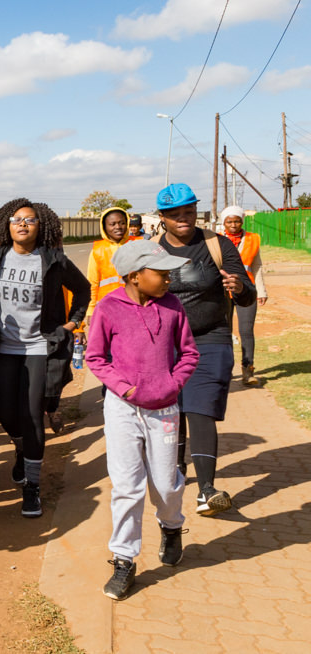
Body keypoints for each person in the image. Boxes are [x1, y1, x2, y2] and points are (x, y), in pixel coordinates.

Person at [86, 239, 199, 600]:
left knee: (165, 484)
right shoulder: (108, 307)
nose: (168, 278)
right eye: (161, 273)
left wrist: (172, 383)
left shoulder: (173, 306)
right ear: (134, 276)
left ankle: (171, 525)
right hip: (123, 408)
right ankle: (124, 560)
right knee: (127, 486)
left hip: (164, 408)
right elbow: (96, 357)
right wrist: (126, 389)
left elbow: (189, 353)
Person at [0, 198, 89, 518]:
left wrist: (70, 325)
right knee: (5, 412)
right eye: (16, 219)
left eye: (30, 220)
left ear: (40, 226)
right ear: (7, 225)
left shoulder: (53, 259)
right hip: (5, 348)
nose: (23, 224)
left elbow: (82, 290)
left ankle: (32, 486)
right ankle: (19, 447)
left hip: (39, 350)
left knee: (32, 416)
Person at [156, 184, 256, 516]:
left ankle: (206, 490)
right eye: (174, 214)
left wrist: (239, 287)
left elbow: (247, 294)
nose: (183, 218)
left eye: (188, 211)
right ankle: (175, 475)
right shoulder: (151, 251)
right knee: (172, 414)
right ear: (163, 218)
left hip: (210, 339)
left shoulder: (216, 244)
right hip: (164, 344)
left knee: (199, 408)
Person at [220, 205, 268, 386]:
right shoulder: (216, 240)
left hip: (247, 292)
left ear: (242, 221)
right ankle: (224, 369)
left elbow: (256, 267)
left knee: (246, 331)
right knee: (224, 332)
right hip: (222, 292)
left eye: (237, 220)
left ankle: (248, 370)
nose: (233, 224)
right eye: (229, 221)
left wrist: (261, 291)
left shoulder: (252, 239)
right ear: (223, 223)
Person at [86, 207, 138, 323]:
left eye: (122, 223)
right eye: (112, 224)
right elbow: (92, 283)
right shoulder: (98, 250)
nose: (118, 227)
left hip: (135, 306)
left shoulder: (138, 244)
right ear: (104, 227)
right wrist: (91, 309)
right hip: (107, 308)